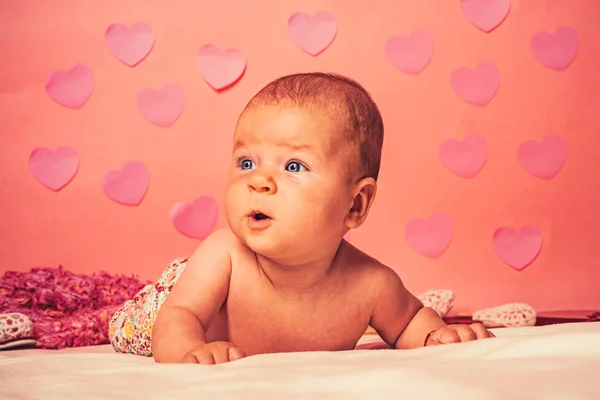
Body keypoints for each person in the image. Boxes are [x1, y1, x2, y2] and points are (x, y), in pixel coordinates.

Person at [108, 72, 494, 364]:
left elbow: (410, 324)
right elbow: (181, 314)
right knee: (126, 325)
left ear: (355, 205)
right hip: (160, 309)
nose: (258, 180)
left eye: (293, 165)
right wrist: (190, 351)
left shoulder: (371, 284)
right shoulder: (224, 254)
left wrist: (436, 338)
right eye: (247, 162)